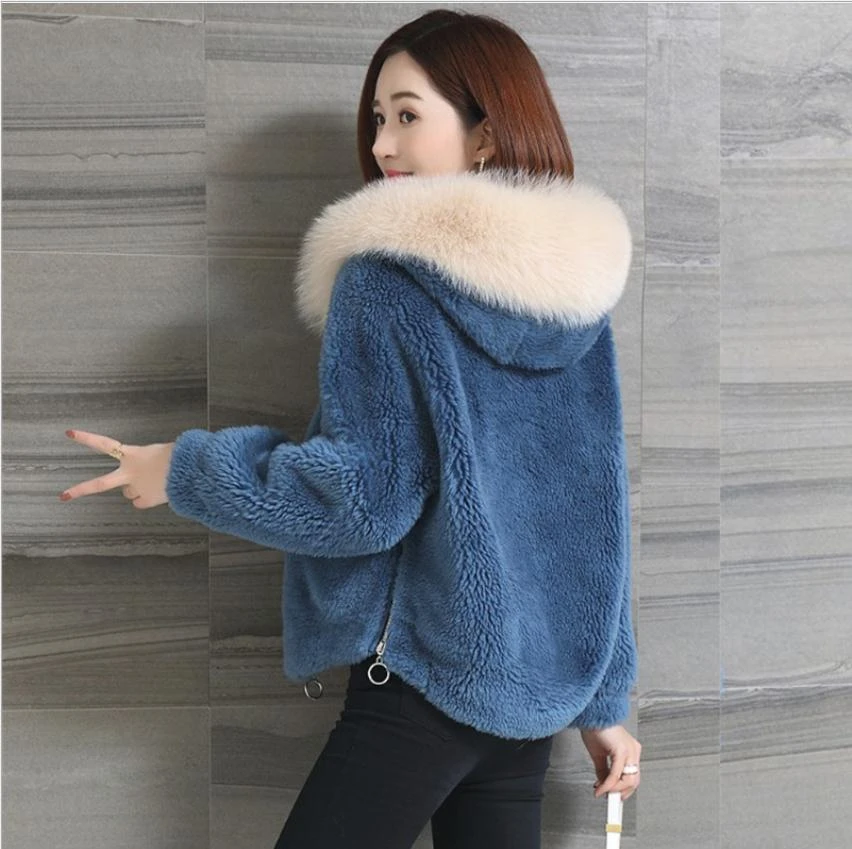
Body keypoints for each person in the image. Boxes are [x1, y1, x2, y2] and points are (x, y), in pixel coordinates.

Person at [60, 8, 641, 849]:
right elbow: (594, 521)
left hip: (423, 690)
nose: (381, 146)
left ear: (485, 134)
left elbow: (363, 500)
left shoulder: (387, 279)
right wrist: (604, 704)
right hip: (530, 711)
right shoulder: (577, 301)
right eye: (376, 118)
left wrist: (184, 470)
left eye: (407, 115)